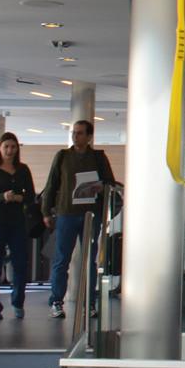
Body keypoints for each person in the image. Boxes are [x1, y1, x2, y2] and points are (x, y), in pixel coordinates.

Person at [41, 119, 115, 320]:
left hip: (90, 214)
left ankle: (89, 302)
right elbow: (52, 184)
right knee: (61, 259)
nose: (75, 136)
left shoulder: (98, 157)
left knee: (89, 260)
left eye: (80, 133)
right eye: (74, 132)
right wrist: (46, 211)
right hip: (66, 213)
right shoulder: (63, 156)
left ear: (89, 136)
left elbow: (110, 182)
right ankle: (57, 301)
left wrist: (100, 186)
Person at [0, 132, 36, 321]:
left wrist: (19, 198)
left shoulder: (23, 169)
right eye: (6, 147)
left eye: (13, 147)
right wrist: (2, 197)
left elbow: (30, 195)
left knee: (20, 263)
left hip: (17, 221)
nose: (10, 151)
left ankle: (18, 302)